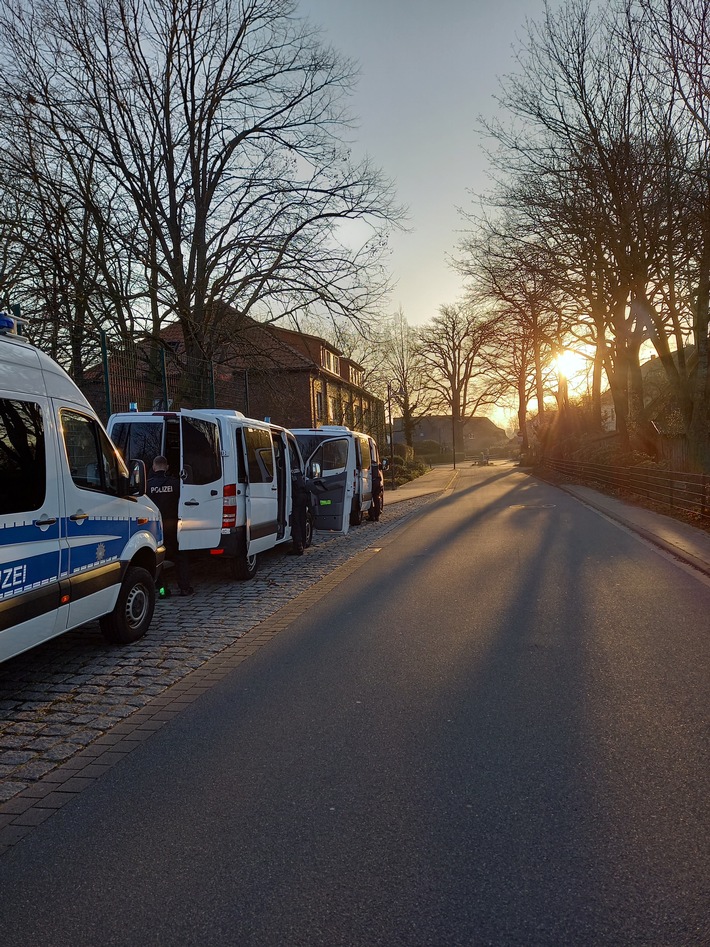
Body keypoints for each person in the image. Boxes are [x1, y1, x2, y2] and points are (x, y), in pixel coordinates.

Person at [147, 455, 194, 596]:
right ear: (167, 467)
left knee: (157, 559)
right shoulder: (175, 483)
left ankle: (162, 590)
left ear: (154, 467)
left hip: (155, 528)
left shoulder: (147, 485)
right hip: (173, 525)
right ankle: (184, 588)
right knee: (180, 557)